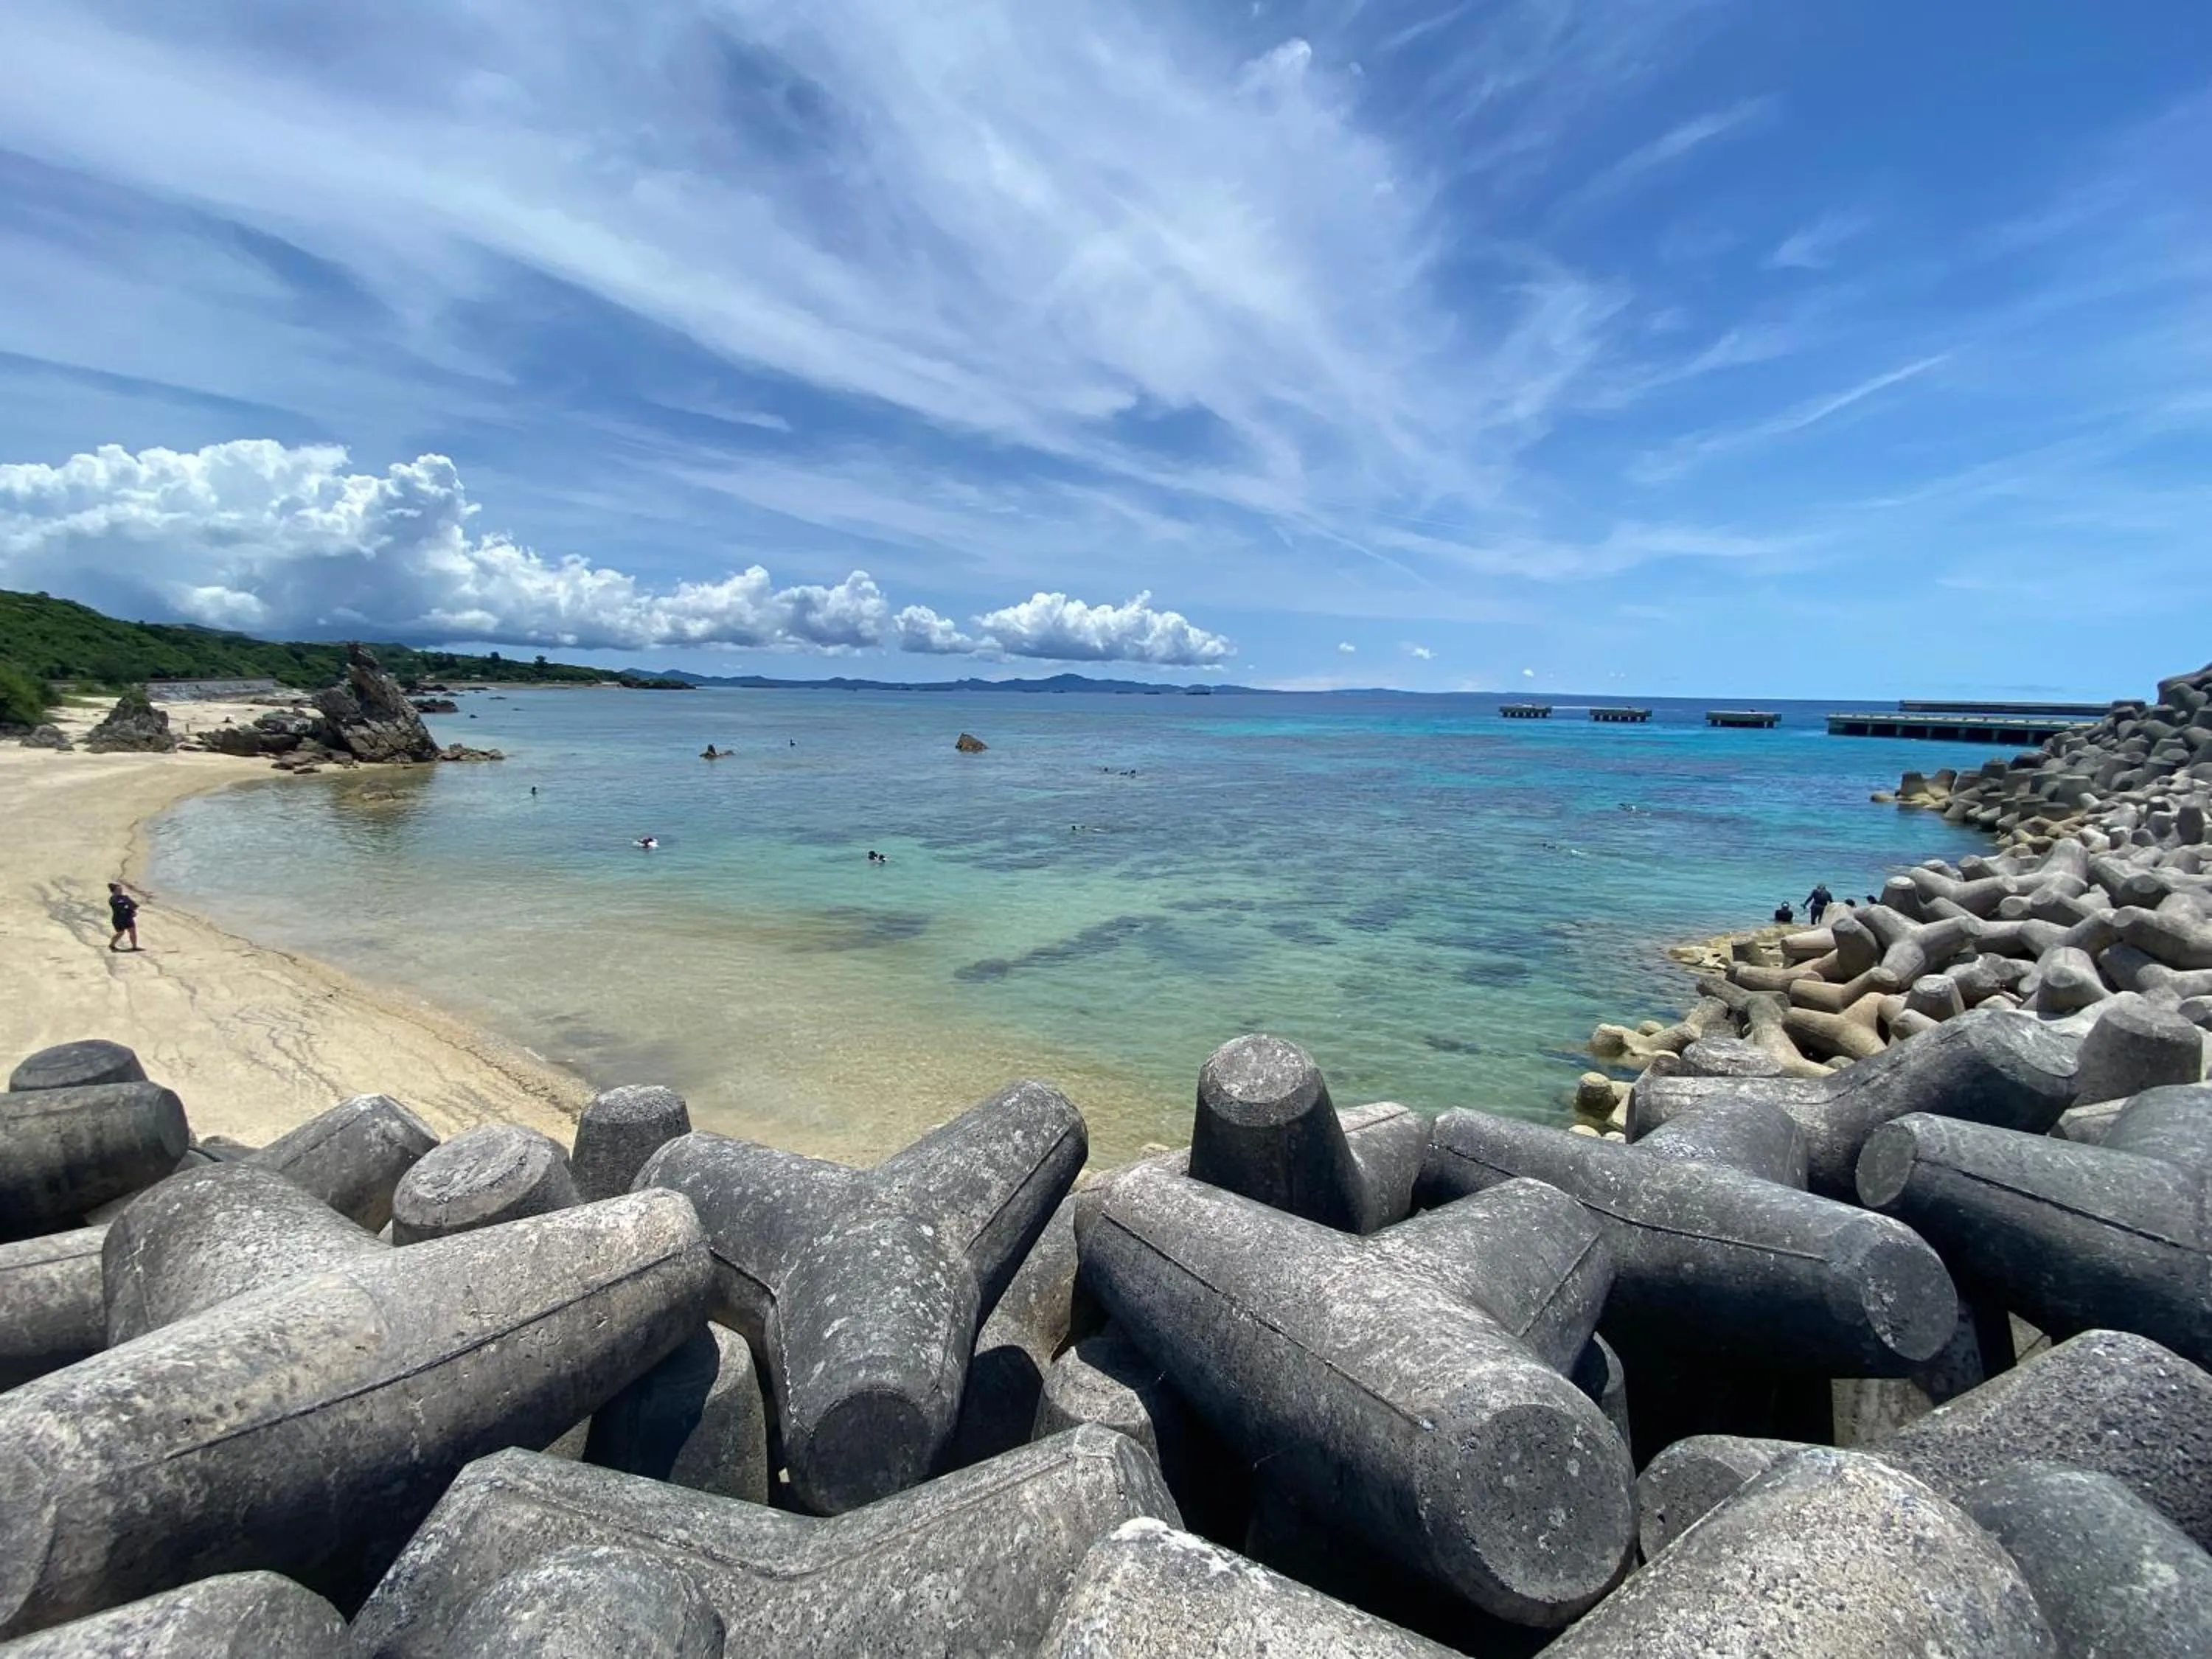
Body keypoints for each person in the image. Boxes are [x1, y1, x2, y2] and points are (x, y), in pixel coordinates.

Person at [107, 882, 142, 953]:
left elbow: (134, 905)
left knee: (133, 931)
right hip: (118, 919)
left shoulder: (126, 897)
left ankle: (134, 947)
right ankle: (112, 945)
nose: (120, 891)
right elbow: (119, 907)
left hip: (128, 917)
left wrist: (133, 911)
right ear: (114, 891)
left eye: (121, 889)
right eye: (118, 890)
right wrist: (128, 907)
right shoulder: (112, 899)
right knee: (121, 933)